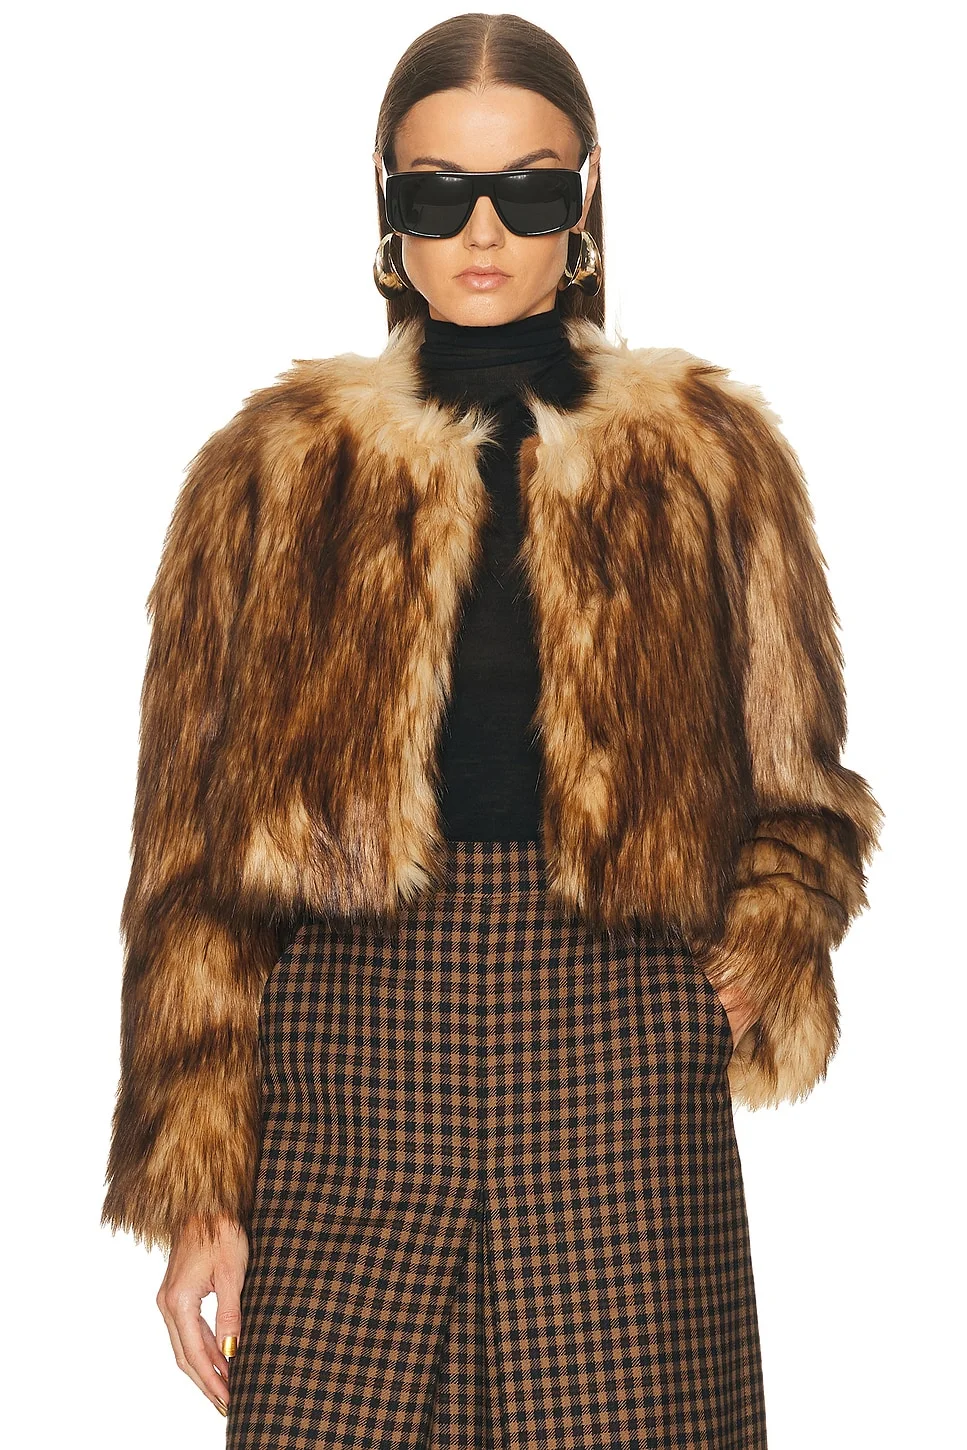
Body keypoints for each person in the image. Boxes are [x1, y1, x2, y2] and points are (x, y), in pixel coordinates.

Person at [100, 13, 883, 1447]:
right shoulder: (269, 472)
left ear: (583, 200)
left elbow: (805, 796)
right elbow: (189, 866)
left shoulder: (709, 457)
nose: (480, 230)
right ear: (383, 205)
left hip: (616, 1045)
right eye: (435, 191)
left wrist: (739, 967)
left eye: (525, 190)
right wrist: (198, 1186)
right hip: (347, 1050)